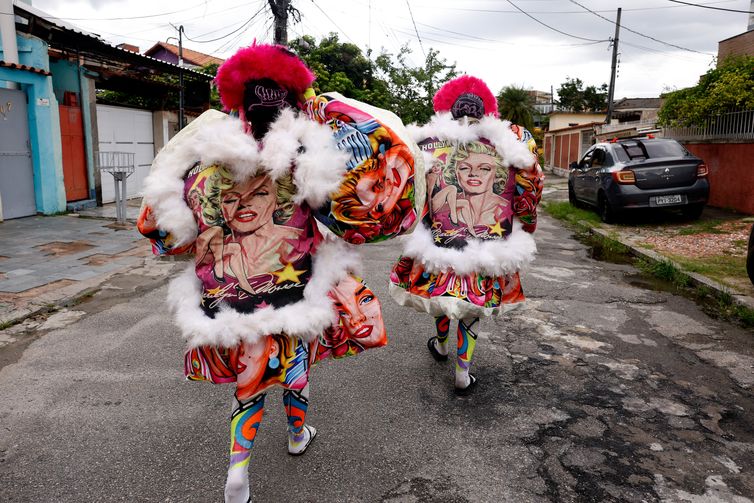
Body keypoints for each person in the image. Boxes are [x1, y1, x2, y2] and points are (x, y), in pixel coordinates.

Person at [137, 43, 419, 502]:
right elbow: (360, 218)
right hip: (292, 298)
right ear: (293, 105)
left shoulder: (199, 170)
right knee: (294, 369)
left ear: (238, 105)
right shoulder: (309, 167)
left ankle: (240, 470)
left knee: (248, 390)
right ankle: (290, 437)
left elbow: (160, 233)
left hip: (224, 303)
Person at [389, 75, 544, 394]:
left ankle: (443, 345)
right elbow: (530, 188)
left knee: (445, 298)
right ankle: (463, 372)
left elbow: (407, 191)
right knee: (472, 306)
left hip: (438, 243)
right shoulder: (511, 141)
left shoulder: (425, 140)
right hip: (488, 247)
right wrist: (526, 222)